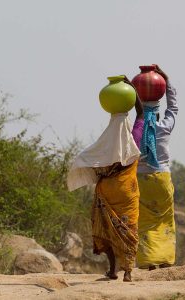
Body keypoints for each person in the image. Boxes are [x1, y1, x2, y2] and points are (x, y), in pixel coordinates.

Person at [67, 77, 143, 282]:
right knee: (129, 229)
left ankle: (112, 270)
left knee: (107, 229)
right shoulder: (134, 138)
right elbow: (142, 113)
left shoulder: (104, 143)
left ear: (111, 121)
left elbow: (84, 157)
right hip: (127, 191)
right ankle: (127, 271)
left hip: (106, 192)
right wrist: (132, 88)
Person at [135, 65, 178, 270]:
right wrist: (166, 80)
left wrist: (131, 90)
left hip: (140, 178)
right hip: (162, 176)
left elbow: (134, 112)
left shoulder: (135, 128)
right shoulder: (165, 126)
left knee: (144, 220)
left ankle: (148, 262)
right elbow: (173, 108)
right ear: (158, 114)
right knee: (164, 218)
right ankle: (165, 260)